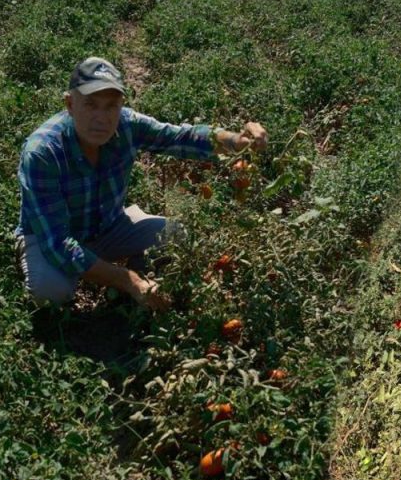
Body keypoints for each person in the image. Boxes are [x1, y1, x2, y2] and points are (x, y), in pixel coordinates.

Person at [16, 56, 267, 310]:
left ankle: (132, 276)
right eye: (91, 105)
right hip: (51, 237)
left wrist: (234, 140)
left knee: (177, 236)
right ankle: (121, 279)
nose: (101, 118)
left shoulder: (127, 125)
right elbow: (57, 243)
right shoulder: (43, 153)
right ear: (70, 104)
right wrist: (127, 280)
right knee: (49, 294)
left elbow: (180, 136)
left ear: (121, 105)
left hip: (108, 226)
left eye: (111, 106)